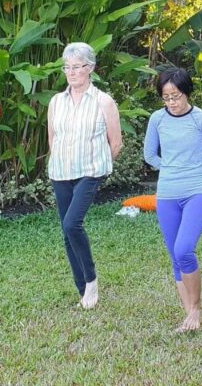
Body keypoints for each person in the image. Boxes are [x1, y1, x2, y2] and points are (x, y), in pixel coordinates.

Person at [143, 68, 202, 332]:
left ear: (186, 92)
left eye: (175, 96)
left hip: (196, 192)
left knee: (184, 249)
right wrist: (169, 168)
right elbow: (149, 155)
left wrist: (200, 174)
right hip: (166, 193)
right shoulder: (157, 119)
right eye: (166, 98)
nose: (171, 103)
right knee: (175, 257)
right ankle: (190, 316)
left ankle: (197, 308)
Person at [47, 42, 123, 309]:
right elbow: (53, 140)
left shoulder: (103, 101)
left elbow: (116, 143)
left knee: (72, 224)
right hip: (61, 172)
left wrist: (98, 167)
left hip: (90, 173)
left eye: (77, 67)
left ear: (90, 68)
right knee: (66, 233)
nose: (71, 72)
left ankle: (91, 280)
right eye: (67, 67)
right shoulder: (57, 101)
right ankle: (83, 290)